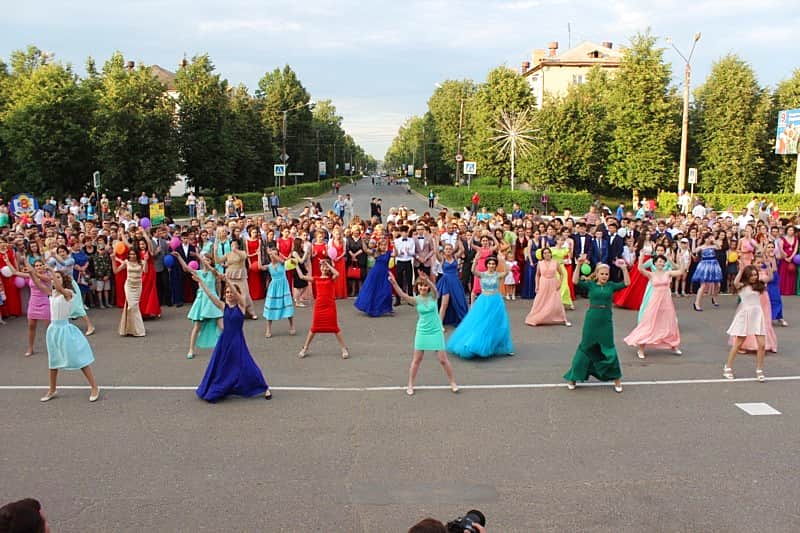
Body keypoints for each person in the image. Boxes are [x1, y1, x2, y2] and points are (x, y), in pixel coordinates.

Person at [193, 278, 271, 402]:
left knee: (247, 365)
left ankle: (264, 387)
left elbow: (240, 296)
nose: (229, 294)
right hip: (224, 341)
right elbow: (210, 295)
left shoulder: (241, 306)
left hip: (237, 341)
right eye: (227, 292)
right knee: (219, 366)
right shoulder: (224, 307)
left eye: (231, 292)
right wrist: (201, 283)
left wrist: (227, 281)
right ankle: (219, 387)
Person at [564, 258, 630, 393]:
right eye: (602, 274)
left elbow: (627, 283)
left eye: (606, 274)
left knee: (609, 348)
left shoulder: (611, 286)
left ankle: (616, 378)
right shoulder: (591, 285)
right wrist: (579, 265)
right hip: (592, 319)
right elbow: (575, 281)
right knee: (585, 348)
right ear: (597, 274)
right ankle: (573, 377)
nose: (604, 276)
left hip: (606, 321)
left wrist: (623, 268)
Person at [388, 272, 458, 396]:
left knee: (443, 359)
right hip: (422, 331)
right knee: (417, 360)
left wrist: (428, 280)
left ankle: (452, 382)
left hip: (436, 330)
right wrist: (394, 283)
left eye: (425, 286)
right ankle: (410, 384)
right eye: (420, 286)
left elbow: (435, 289)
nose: (423, 288)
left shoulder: (434, 296)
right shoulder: (416, 300)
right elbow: (403, 295)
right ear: (417, 287)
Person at [39, 271, 100, 403]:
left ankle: (94, 387)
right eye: (54, 277)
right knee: (53, 361)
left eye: (58, 276)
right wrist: (31, 271)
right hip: (53, 330)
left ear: (63, 279)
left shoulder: (68, 293)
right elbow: (39, 285)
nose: (55, 279)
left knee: (79, 360)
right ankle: (52, 389)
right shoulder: (52, 293)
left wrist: (50, 269)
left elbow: (60, 288)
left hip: (65, 329)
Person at [446, 255, 514, 359]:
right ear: (487, 265)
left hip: (496, 301)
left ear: (495, 266)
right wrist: (476, 260)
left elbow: (507, 272)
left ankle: (500, 346)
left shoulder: (497, 275)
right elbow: (473, 271)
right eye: (489, 264)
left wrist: (502, 260)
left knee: (497, 324)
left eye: (493, 264)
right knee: (481, 322)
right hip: (484, 300)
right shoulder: (482, 274)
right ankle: (473, 344)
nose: (491, 265)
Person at [623, 254, 684, 359]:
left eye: (662, 261)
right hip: (654, 301)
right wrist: (641, 257)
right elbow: (640, 269)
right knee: (648, 323)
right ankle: (641, 349)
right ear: (654, 263)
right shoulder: (651, 274)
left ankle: (674, 346)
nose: (661, 263)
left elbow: (680, 271)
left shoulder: (668, 273)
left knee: (670, 322)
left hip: (666, 301)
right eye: (659, 261)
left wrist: (681, 260)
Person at [173, 253, 223, 359]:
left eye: (208, 260)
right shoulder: (198, 273)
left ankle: (227, 348)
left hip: (212, 300)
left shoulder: (214, 272)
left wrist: (219, 297)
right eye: (204, 259)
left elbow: (218, 285)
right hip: (201, 300)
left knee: (222, 326)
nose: (205, 261)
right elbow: (186, 268)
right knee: (197, 327)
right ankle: (191, 349)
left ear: (211, 262)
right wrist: (178, 256)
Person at [296, 260, 349, 359]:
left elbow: (337, 273)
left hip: (330, 305)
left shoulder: (331, 278)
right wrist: (296, 266)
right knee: (314, 328)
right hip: (319, 306)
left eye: (326, 267)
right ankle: (305, 348)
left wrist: (328, 264)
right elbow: (302, 277)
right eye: (322, 266)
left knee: (335, 328)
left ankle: (344, 348)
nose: (324, 268)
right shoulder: (316, 278)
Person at [724, 265, 767, 382]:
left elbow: (770, 277)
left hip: (757, 314)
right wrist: (742, 270)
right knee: (738, 343)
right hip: (745, 314)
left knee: (762, 345)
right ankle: (727, 367)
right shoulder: (742, 286)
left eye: (755, 275)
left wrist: (769, 263)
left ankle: (759, 370)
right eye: (751, 275)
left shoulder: (759, 285)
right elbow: (736, 282)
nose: (754, 277)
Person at [8, 258, 52, 357]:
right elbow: (15, 272)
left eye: (40, 265)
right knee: (31, 326)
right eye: (36, 266)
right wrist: (7, 261)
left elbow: (40, 278)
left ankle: (52, 347)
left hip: (45, 302)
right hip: (33, 303)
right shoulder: (31, 275)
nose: (38, 267)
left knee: (49, 328)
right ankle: (30, 348)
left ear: (43, 266)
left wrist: (29, 267)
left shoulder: (48, 276)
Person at [524, 247, 571, 327]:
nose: (547, 254)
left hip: (553, 282)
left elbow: (562, 273)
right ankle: (535, 318)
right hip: (543, 283)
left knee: (557, 302)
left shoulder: (555, 262)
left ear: (551, 254)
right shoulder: (540, 263)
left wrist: (560, 283)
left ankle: (563, 319)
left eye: (548, 252)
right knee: (540, 301)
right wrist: (537, 285)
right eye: (545, 253)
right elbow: (537, 275)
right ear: (542, 255)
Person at [355, 238, 393, 317]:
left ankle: (385, 308)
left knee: (386, 290)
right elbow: (365, 250)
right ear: (379, 246)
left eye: (385, 245)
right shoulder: (376, 252)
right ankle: (372, 308)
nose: (383, 246)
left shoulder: (389, 252)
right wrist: (362, 241)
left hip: (385, 273)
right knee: (373, 290)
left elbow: (396, 254)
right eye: (382, 245)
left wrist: (394, 246)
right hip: (375, 273)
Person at [434, 238, 468, 327]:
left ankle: (461, 319)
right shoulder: (442, 258)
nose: (448, 250)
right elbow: (436, 251)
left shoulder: (455, 257)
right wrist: (436, 240)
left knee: (459, 301)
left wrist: (459, 239)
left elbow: (462, 249)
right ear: (444, 250)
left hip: (455, 281)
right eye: (446, 249)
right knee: (444, 303)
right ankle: (440, 324)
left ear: (452, 250)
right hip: (445, 282)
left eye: (450, 249)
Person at [263, 249, 296, 338]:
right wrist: (259, 254)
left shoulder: (282, 263)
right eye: (271, 255)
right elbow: (259, 267)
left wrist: (273, 254)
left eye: (275, 254)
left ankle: (292, 326)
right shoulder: (269, 266)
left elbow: (282, 261)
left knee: (287, 305)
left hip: (283, 286)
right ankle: (268, 329)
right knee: (270, 306)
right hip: (273, 287)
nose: (272, 256)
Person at [113, 248, 146, 337]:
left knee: (134, 306)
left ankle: (132, 329)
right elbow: (116, 271)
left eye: (134, 254)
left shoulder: (141, 262)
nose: (132, 256)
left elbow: (145, 271)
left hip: (138, 286)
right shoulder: (126, 262)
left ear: (137, 255)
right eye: (131, 254)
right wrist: (113, 260)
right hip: (129, 285)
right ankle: (137, 329)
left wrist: (146, 261)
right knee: (131, 306)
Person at [692, 232, 723, 311]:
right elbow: (694, 251)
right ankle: (697, 303)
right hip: (704, 265)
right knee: (703, 285)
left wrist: (714, 240)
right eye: (707, 238)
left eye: (710, 237)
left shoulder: (713, 246)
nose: (709, 239)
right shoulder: (701, 247)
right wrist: (694, 240)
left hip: (714, 264)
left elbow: (719, 247)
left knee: (718, 284)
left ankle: (714, 297)